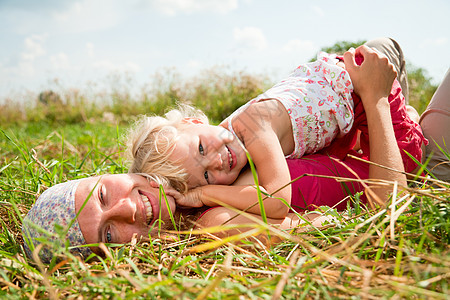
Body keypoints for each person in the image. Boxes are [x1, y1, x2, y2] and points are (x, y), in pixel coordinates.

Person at [21, 38, 433, 263]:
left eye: (105, 196)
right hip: (403, 162)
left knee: (379, 47)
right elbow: (384, 211)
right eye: (109, 234)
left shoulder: (202, 155)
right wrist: (375, 98)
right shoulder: (215, 220)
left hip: (364, 133)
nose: (126, 210)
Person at [126, 41, 424, 220]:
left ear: (194, 123)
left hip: (356, 91)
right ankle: (410, 120)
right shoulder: (233, 139)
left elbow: (278, 201)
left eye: (201, 148)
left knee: (407, 158)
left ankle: (409, 119)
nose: (217, 161)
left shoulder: (253, 124)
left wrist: (205, 191)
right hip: (334, 110)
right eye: (205, 173)